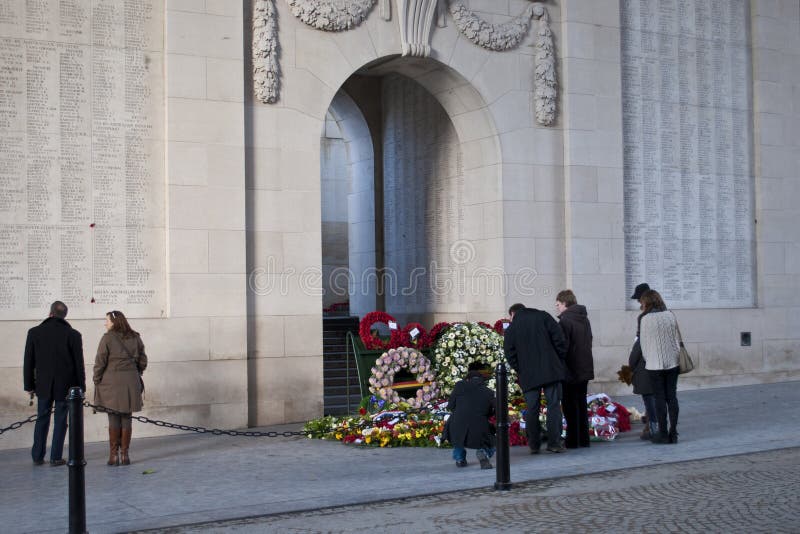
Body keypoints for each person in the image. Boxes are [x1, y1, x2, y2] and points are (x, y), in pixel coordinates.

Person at [23, 301, 86, 466]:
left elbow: (28, 362)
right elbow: (79, 364)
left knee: (41, 418)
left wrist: (28, 385)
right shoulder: (73, 335)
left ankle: (37, 455)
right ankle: (56, 457)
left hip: (42, 385)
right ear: (64, 316)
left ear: (50, 313)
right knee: (60, 420)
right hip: (65, 386)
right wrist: (81, 388)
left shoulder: (34, 332)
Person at [504, 302, 567, 454]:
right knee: (553, 406)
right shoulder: (543, 316)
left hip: (529, 374)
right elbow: (559, 338)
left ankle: (534, 444)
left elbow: (509, 352)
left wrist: (520, 368)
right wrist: (559, 359)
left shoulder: (512, 327)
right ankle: (554, 443)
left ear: (513, 314)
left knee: (532, 409)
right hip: (551, 369)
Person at [93, 310, 148, 465]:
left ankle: (113, 456)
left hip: (112, 382)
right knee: (126, 417)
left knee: (113, 418)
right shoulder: (135, 337)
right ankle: (125, 455)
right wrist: (136, 373)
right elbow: (143, 360)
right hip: (131, 381)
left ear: (114, 322)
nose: (105, 323)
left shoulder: (107, 338)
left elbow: (100, 362)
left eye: (107, 321)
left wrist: (96, 379)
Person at [638, 290, 680, 444]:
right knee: (672, 397)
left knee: (659, 399)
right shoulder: (670, 315)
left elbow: (643, 344)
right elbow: (676, 340)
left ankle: (663, 434)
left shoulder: (645, 319)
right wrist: (674, 358)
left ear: (646, 303)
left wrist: (650, 359)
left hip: (654, 365)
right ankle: (673, 432)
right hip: (673, 363)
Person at [555, 290, 594, 449]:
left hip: (570, 369)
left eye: (558, 304)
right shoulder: (584, 319)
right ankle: (584, 439)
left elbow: (563, 347)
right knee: (581, 404)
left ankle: (572, 440)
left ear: (565, 303)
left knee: (570, 406)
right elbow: (589, 340)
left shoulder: (565, 321)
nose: (557, 308)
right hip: (584, 367)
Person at [443, 363, 496, 469]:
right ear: (481, 380)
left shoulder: (459, 385)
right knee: (490, 439)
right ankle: (483, 453)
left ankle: (460, 458)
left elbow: (451, 406)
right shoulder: (488, 392)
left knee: (457, 434)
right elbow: (491, 412)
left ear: (468, 379)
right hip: (479, 426)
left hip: (456, 424)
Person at [630, 282, 657, 440]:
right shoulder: (666, 314)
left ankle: (652, 427)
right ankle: (653, 421)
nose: (639, 304)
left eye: (639, 300)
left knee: (649, 395)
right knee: (656, 395)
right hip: (662, 363)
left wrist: (631, 363)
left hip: (647, 361)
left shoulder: (645, 317)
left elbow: (640, 342)